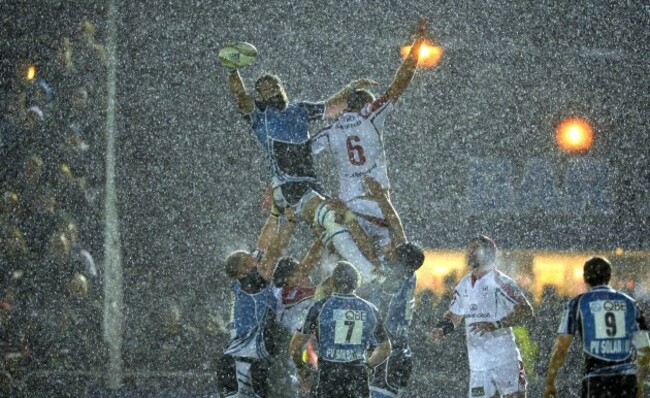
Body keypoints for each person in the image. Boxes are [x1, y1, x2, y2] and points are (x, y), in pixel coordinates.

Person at [226, 53, 383, 284]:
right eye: (266, 90)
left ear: (283, 88)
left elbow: (331, 107)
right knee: (332, 218)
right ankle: (372, 276)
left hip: (309, 184)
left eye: (275, 86)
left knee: (330, 235)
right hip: (290, 186)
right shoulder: (261, 118)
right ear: (260, 97)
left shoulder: (299, 110)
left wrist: (352, 87)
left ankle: (359, 281)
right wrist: (232, 70)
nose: (273, 92)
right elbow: (241, 98)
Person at [310, 18, 429, 261]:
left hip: (349, 207)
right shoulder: (371, 114)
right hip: (377, 204)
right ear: (367, 103)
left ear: (345, 106)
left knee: (351, 265)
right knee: (392, 265)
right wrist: (416, 48)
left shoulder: (331, 129)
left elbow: (302, 152)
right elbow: (399, 85)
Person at [429, 235, 534, 398]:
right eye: (469, 248)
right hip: (478, 363)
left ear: (488, 252)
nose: (469, 252)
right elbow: (454, 315)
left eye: (475, 248)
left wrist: (496, 324)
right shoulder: (463, 284)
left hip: (504, 360)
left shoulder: (502, 281)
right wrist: (441, 329)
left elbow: (526, 311)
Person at [543, 256, 650, 398]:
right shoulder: (630, 303)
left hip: (595, 381)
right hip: (626, 381)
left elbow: (561, 348)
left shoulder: (578, 303)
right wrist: (639, 384)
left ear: (585, 278)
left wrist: (550, 381)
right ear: (610, 277)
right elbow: (645, 350)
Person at [289, 261, 392, 398]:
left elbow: (295, 346)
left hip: (328, 377)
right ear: (356, 283)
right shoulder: (370, 309)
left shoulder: (319, 307)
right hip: (357, 378)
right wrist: (368, 366)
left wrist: (300, 367)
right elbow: (385, 349)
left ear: (332, 283)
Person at [222, 207, 296, 398]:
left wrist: (274, 214)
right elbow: (274, 251)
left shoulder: (245, 281)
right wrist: (289, 222)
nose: (256, 261)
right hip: (247, 362)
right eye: (250, 261)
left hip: (235, 359)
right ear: (242, 272)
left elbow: (262, 244)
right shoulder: (252, 282)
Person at [370, 242, 425, 398]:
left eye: (392, 251)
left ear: (397, 258)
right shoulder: (411, 274)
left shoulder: (393, 278)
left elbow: (379, 309)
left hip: (386, 356)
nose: (389, 252)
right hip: (402, 353)